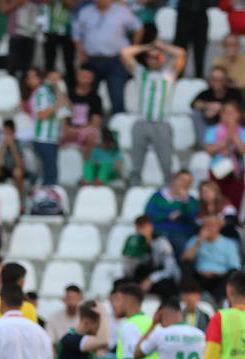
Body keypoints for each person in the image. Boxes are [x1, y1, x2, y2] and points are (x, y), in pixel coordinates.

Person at [122, 39, 185, 186]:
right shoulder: (140, 73)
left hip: (161, 123)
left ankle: (169, 191)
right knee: (136, 163)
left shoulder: (168, 74)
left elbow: (181, 53)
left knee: (166, 163)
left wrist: (162, 47)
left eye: (157, 57)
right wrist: (147, 46)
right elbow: (125, 53)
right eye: (151, 57)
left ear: (162, 59)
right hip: (142, 122)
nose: (154, 60)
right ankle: (134, 189)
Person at [71, 0, 142, 117]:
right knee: (88, 95)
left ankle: (118, 129)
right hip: (92, 60)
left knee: (117, 95)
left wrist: (131, 52)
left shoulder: (122, 11)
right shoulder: (85, 12)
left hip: (116, 60)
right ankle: (87, 129)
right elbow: (76, 34)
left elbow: (138, 28)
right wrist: (81, 52)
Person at [146, 170, 199, 256]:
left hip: (180, 233)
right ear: (174, 179)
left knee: (184, 251)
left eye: (188, 182)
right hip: (158, 231)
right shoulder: (157, 196)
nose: (184, 184)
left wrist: (185, 202)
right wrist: (168, 216)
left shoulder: (191, 201)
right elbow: (149, 213)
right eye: (182, 180)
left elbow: (192, 218)